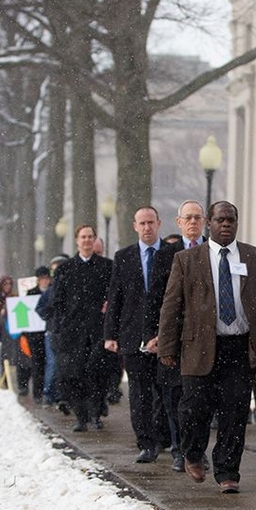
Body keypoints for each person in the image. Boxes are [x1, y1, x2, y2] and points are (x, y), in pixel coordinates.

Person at [157, 201, 256, 494]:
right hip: (199, 347)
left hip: (238, 347)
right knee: (194, 408)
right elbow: (171, 306)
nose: (226, 225)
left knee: (234, 412)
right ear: (209, 222)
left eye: (231, 220)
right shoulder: (187, 259)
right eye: (220, 220)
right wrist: (167, 346)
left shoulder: (254, 258)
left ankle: (227, 471)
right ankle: (193, 453)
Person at [145, 200, 207, 472]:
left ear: (204, 221)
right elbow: (156, 298)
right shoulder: (166, 255)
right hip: (175, 337)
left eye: (197, 217)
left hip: (205, 339)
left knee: (200, 400)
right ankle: (179, 449)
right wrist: (154, 334)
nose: (193, 222)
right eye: (188, 218)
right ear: (179, 222)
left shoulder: (212, 251)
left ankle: (197, 450)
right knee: (174, 399)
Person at [103, 206, 167, 463]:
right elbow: (115, 297)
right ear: (135, 226)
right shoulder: (124, 257)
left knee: (164, 391)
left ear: (159, 224)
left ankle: (165, 437)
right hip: (133, 335)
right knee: (139, 392)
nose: (147, 227)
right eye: (142, 223)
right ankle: (145, 442)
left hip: (164, 335)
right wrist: (111, 334)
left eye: (151, 222)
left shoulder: (172, 255)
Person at [47, 225, 113, 432]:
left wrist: (109, 305)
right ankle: (81, 415)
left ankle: (95, 413)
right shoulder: (65, 269)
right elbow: (56, 301)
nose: (87, 241)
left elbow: (114, 293)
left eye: (90, 237)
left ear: (95, 240)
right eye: (83, 237)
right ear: (77, 240)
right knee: (71, 375)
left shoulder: (107, 267)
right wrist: (61, 326)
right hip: (72, 331)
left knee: (97, 372)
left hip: (98, 329)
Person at [36, 254, 68, 408]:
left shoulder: (71, 288)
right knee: (54, 363)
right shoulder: (51, 290)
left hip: (68, 332)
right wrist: (51, 316)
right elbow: (41, 308)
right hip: (53, 331)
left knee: (65, 365)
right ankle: (50, 394)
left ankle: (63, 395)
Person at [17, 266, 51, 402]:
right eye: (42, 278)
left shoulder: (52, 292)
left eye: (46, 278)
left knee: (48, 363)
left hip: (47, 332)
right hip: (34, 334)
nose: (45, 281)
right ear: (38, 280)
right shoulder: (31, 293)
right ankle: (37, 393)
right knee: (37, 363)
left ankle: (46, 390)